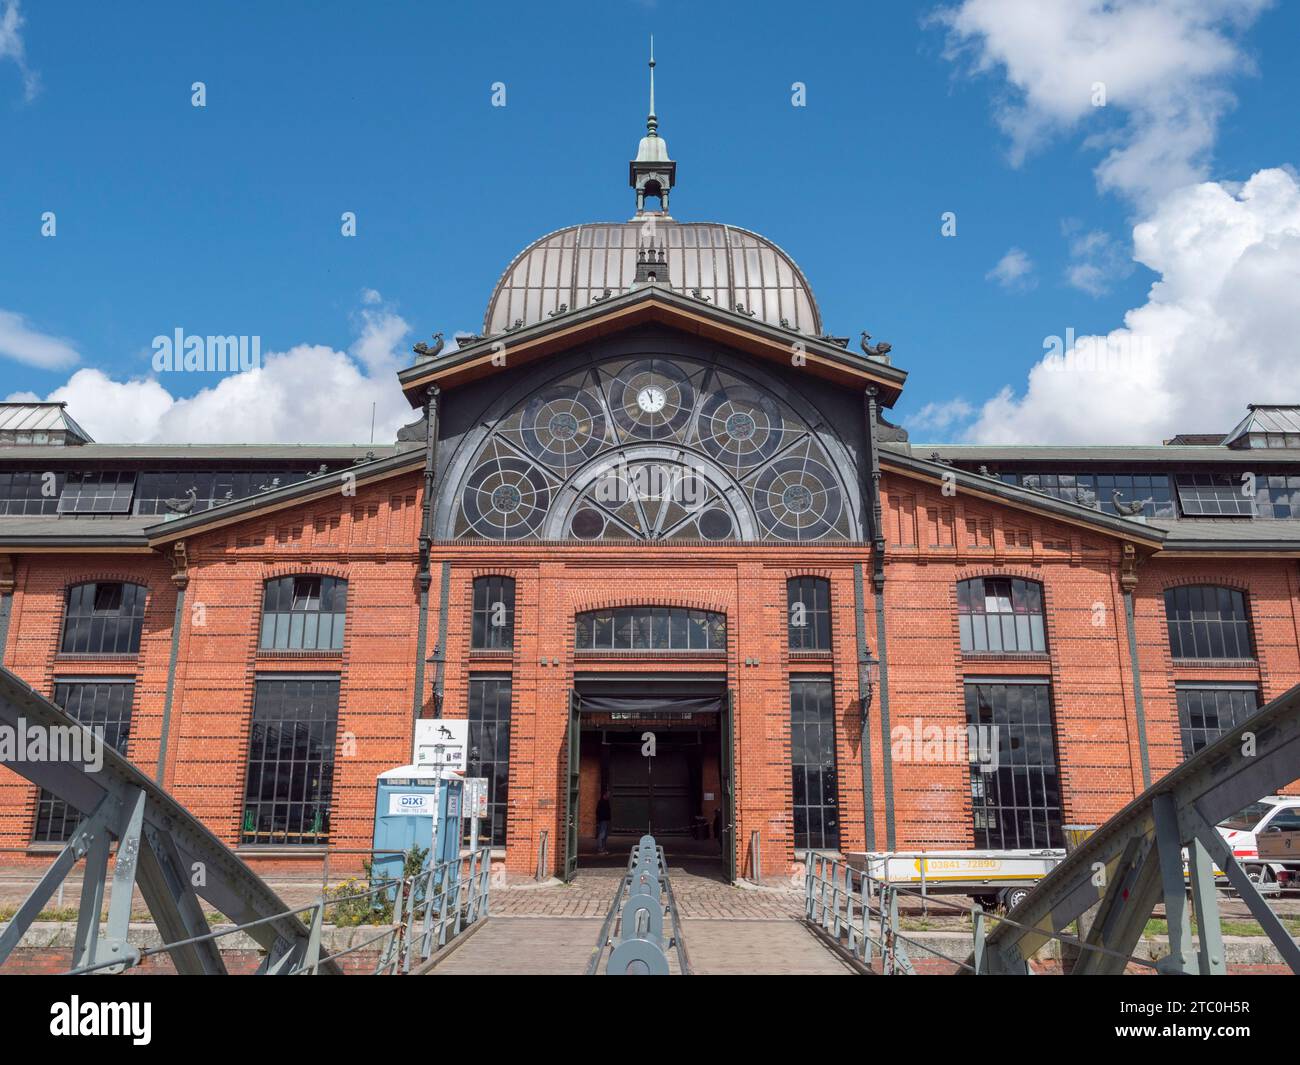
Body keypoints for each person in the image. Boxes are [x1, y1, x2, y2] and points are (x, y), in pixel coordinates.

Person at [596, 790, 611, 855]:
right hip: (603, 820)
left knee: (605, 835)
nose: (609, 796)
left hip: (606, 820)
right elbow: (598, 811)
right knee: (602, 834)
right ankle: (600, 848)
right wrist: (601, 818)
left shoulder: (606, 802)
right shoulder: (601, 802)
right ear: (604, 795)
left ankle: (603, 848)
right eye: (608, 794)